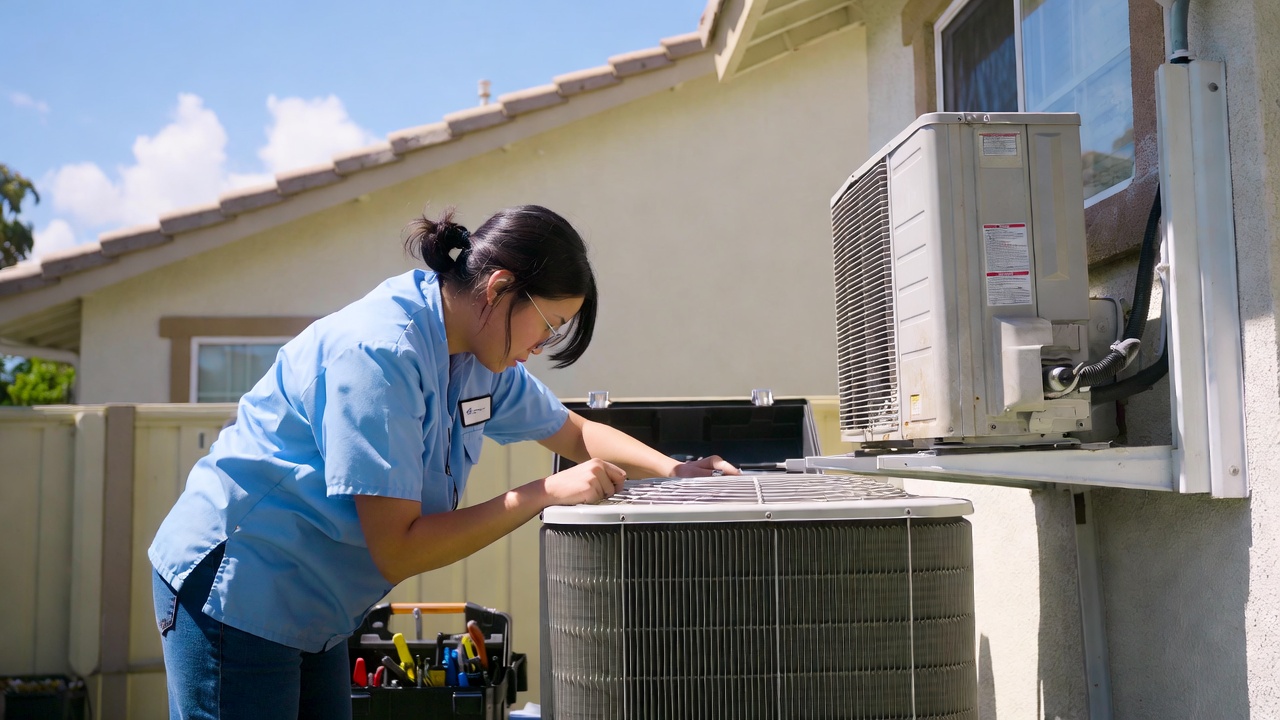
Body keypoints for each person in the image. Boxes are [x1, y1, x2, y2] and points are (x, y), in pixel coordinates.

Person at [148, 204, 739, 719]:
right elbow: (400, 548)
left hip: (314, 607)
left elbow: (576, 432)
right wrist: (545, 494)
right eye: (548, 325)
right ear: (500, 287)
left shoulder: (481, 355)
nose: (542, 346)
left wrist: (676, 471)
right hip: (236, 585)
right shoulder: (380, 353)